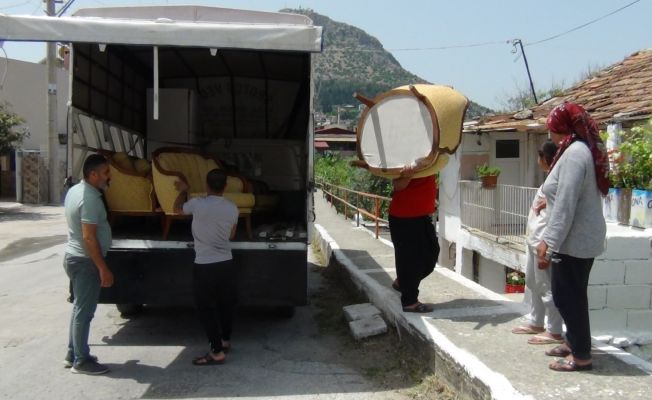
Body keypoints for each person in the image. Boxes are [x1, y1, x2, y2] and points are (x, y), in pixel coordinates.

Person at [537, 102, 608, 372]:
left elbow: (566, 202)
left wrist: (548, 241)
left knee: (569, 297)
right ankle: (572, 342)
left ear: (564, 128)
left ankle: (581, 356)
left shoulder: (576, 153)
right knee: (568, 294)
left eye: (552, 129)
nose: (550, 135)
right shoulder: (573, 149)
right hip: (577, 238)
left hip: (574, 240)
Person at [174, 169, 239, 365]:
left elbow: (176, 209)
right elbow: (231, 236)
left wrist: (183, 191)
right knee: (225, 305)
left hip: (204, 265)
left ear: (206, 185)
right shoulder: (232, 208)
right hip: (226, 263)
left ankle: (216, 352)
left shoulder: (197, 204)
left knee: (205, 308)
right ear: (225, 186)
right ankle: (225, 340)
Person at [63, 154, 114, 375]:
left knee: (78, 309)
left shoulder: (76, 190)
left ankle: (72, 352)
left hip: (74, 257)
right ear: (92, 174)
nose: (108, 177)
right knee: (85, 311)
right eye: (105, 173)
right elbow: (89, 237)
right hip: (85, 261)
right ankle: (81, 361)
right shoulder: (90, 199)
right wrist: (102, 267)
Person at [511, 140, 564, 345]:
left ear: (544, 158)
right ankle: (536, 321)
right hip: (534, 240)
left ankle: (554, 329)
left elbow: (562, 208)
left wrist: (547, 245)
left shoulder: (557, 180)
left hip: (544, 242)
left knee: (547, 287)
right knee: (533, 284)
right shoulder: (549, 180)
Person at [389, 162, 440, 313]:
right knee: (410, 260)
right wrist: (407, 175)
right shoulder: (404, 157)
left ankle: (402, 283)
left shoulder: (427, 156)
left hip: (421, 216)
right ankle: (409, 301)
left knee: (432, 252)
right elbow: (397, 186)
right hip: (405, 216)